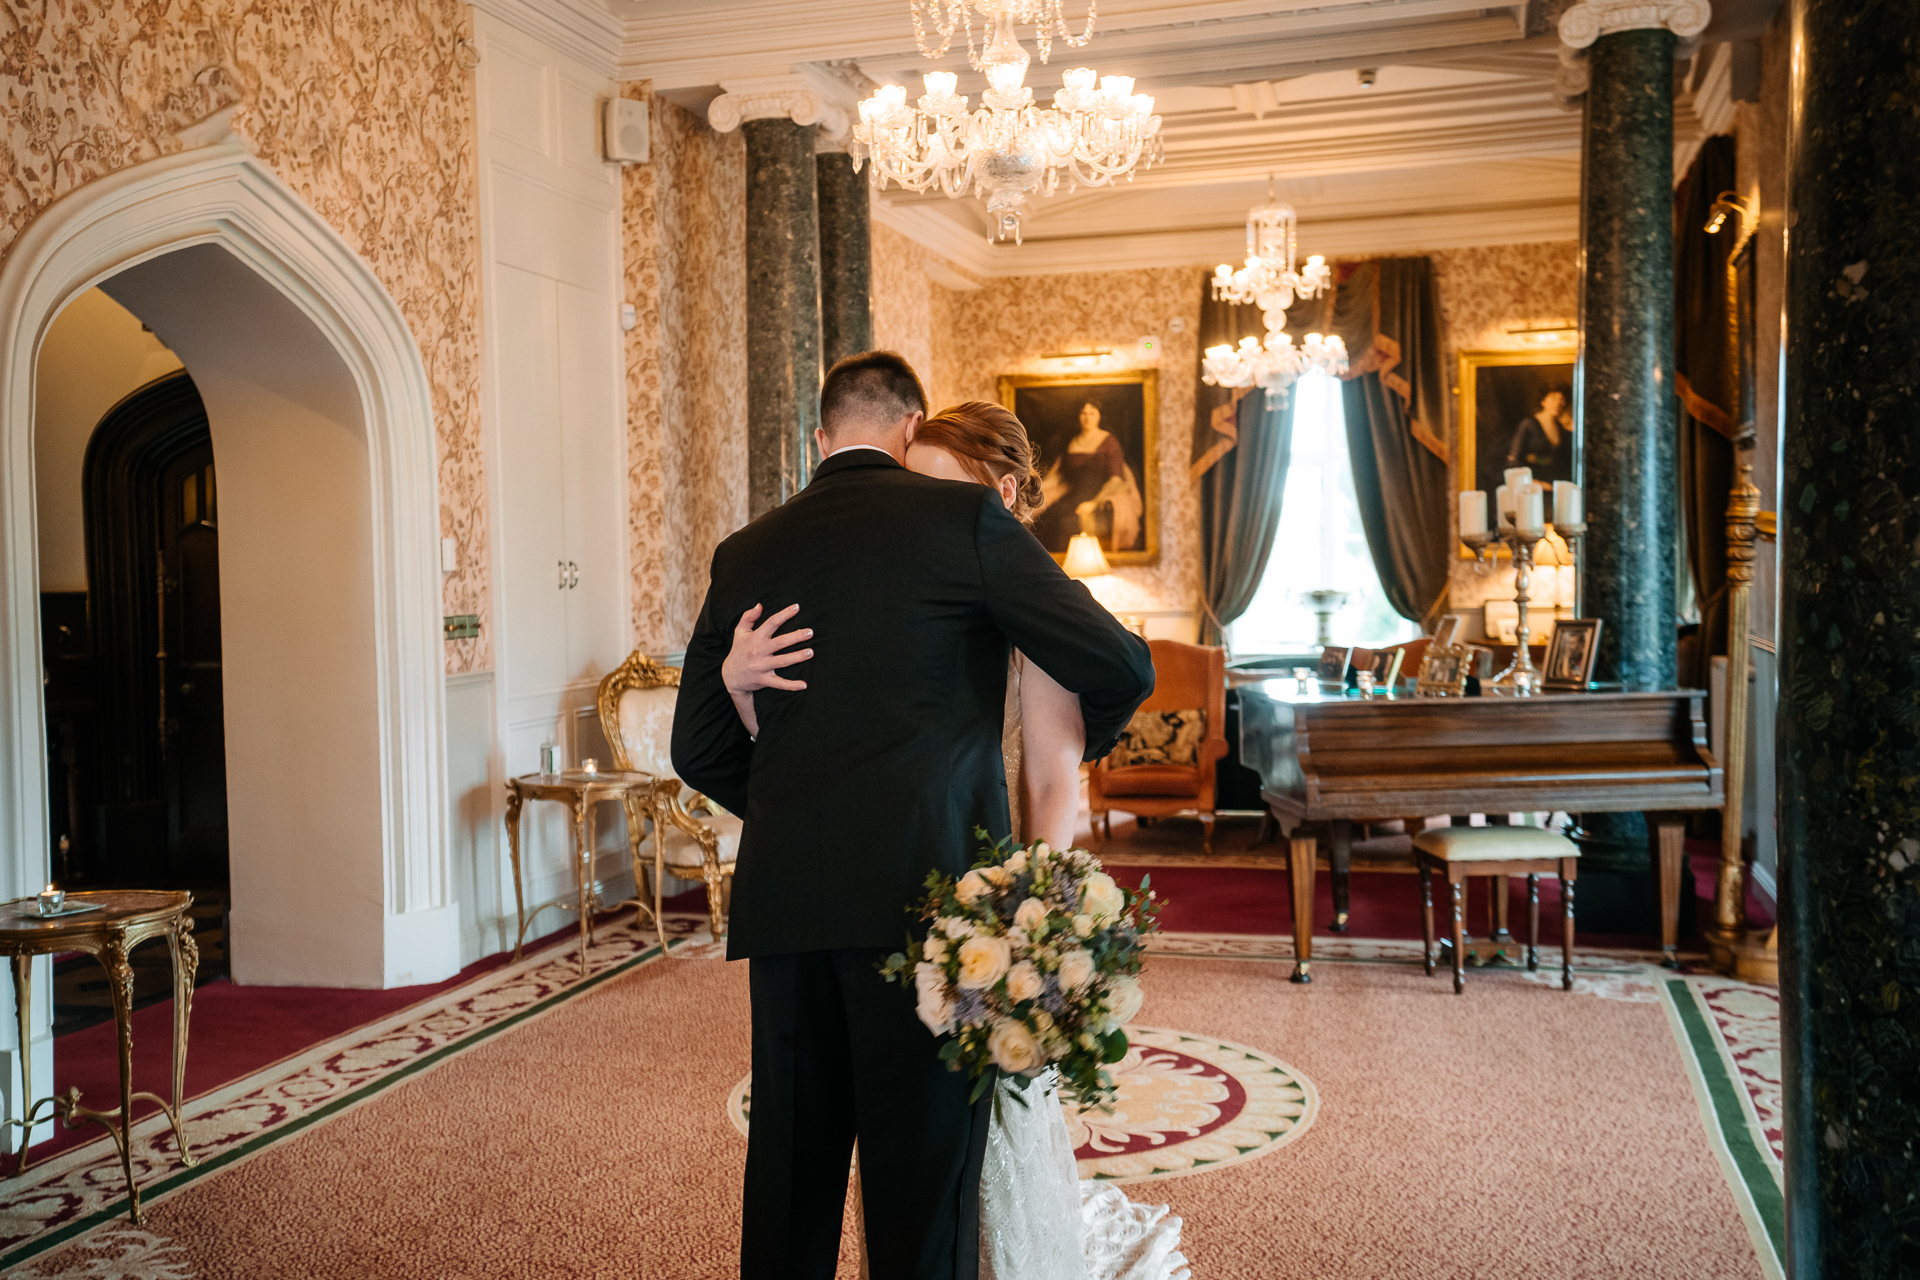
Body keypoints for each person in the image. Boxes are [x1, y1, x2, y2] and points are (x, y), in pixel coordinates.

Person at [671, 354, 1154, 1280]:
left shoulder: (746, 551)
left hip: (786, 910)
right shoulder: (964, 521)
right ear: (910, 427)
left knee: (788, 1178)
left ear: (821, 438)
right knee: (918, 1193)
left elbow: (697, 750)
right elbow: (1123, 665)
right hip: (929, 917)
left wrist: (789, 804)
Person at [1033, 402, 1144, 554]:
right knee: (1046, 520)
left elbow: (1116, 480)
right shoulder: (1072, 442)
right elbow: (1059, 476)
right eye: (1083, 413)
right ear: (1079, 417)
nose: (1087, 418)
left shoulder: (1109, 442)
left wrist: (1093, 503)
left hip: (1099, 496)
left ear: (1099, 416)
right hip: (1071, 495)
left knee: (1067, 523)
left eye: (1092, 413)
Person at [1505, 385, 1572, 475]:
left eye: (1561, 399)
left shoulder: (1561, 427)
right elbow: (1514, 459)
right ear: (1543, 402)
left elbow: (1565, 460)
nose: (1558, 403)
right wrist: (1533, 482)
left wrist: (1573, 430)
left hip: (1554, 478)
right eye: (1553, 399)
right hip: (1532, 480)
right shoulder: (1528, 424)